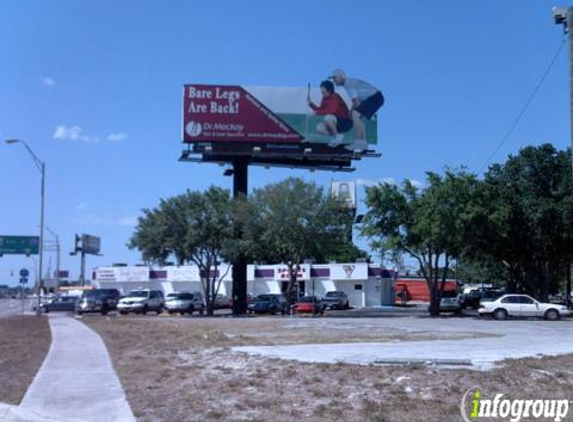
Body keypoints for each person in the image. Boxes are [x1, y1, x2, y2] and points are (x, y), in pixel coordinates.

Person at [329, 69, 384, 151]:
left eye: (334, 77)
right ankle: (362, 143)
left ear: (341, 76)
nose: (333, 80)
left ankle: (360, 142)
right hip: (376, 97)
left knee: (355, 114)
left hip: (375, 98)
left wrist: (350, 112)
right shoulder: (349, 82)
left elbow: (356, 102)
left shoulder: (348, 84)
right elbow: (359, 100)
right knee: (357, 116)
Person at [307, 80, 353, 147]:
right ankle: (337, 135)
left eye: (323, 90)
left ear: (329, 90)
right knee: (319, 128)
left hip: (345, 122)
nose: (321, 92)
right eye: (321, 90)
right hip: (334, 122)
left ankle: (337, 137)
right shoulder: (324, 98)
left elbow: (330, 111)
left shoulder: (335, 97)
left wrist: (315, 113)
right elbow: (320, 110)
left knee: (328, 117)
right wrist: (311, 104)